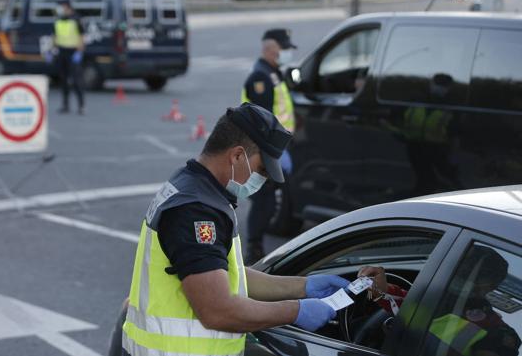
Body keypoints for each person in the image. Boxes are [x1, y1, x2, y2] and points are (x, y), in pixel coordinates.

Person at [122, 103, 349, 356]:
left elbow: (225, 275)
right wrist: (296, 311)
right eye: (262, 170)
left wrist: (303, 287)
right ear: (237, 156)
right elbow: (217, 310)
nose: (263, 182)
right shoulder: (196, 211)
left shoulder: (193, 187)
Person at [358, 245, 521, 356]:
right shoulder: (439, 299)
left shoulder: (501, 335)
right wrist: (374, 288)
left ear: (488, 286)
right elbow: (394, 301)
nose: (451, 279)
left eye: (465, 275)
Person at [241, 28, 296, 264]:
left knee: (269, 201)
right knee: (263, 201)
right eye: (282, 48)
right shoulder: (260, 78)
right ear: (269, 49)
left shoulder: (273, 73)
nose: (286, 52)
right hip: (263, 150)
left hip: (274, 149)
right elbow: (262, 121)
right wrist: (268, 156)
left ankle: (257, 249)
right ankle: (253, 249)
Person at [53, 1, 85, 115]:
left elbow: (81, 36)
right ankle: (65, 105)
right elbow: (55, 36)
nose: (61, 10)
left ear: (68, 8)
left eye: (63, 7)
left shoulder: (76, 19)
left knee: (76, 80)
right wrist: (53, 49)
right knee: (63, 80)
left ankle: (81, 106)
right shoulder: (58, 20)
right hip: (62, 52)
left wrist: (79, 52)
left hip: (73, 52)